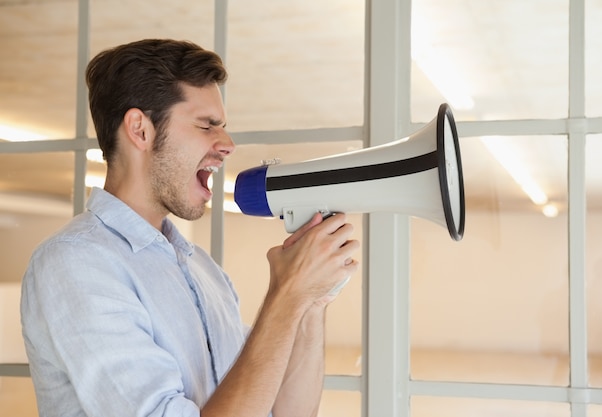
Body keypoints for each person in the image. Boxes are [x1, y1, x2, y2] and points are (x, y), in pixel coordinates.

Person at [20, 38, 359, 417]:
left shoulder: (203, 270)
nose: (228, 144)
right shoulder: (75, 264)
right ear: (141, 130)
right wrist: (287, 293)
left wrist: (311, 300)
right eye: (206, 126)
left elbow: (287, 412)